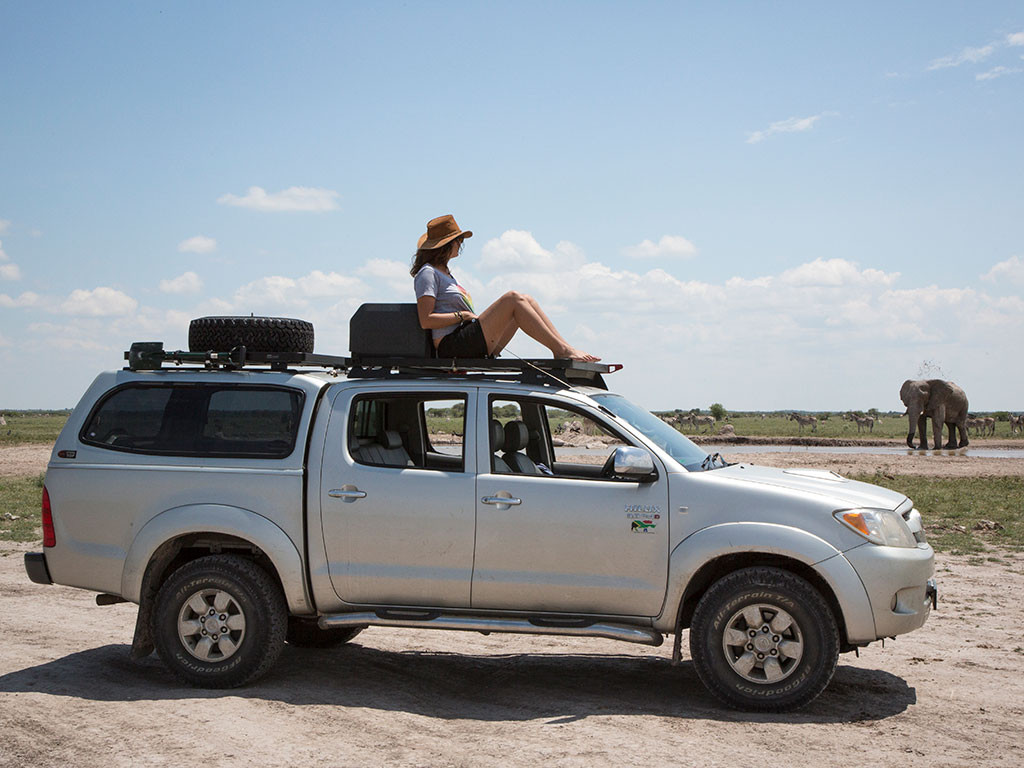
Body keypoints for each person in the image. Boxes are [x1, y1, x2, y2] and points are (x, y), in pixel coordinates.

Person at [411, 215, 599, 362]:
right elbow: (426, 320)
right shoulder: (428, 273)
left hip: (464, 338)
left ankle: (563, 348)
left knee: (527, 300)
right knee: (513, 299)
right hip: (451, 345)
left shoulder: (445, 273)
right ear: (446, 245)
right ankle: (562, 350)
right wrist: (463, 315)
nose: (461, 244)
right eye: (458, 240)